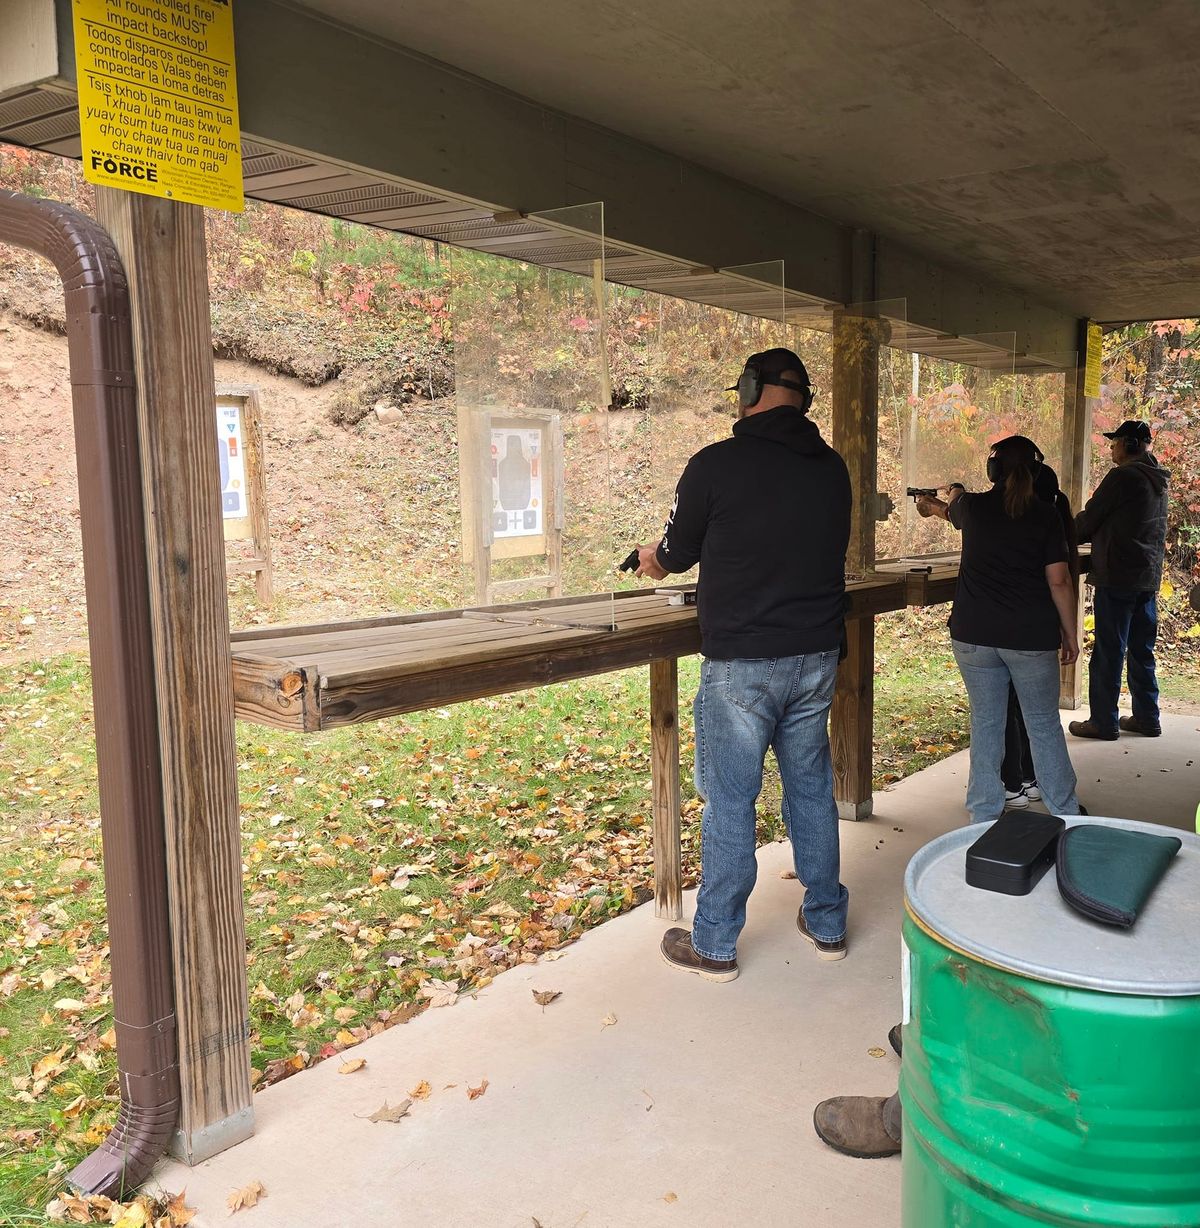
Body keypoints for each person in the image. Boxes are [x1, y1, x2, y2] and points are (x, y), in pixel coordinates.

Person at [633, 347, 851, 981]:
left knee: (730, 800)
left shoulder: (716, 464)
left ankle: (716, 942)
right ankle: (828, 920)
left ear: (752, 389)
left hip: (744, 664)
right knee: (810, 789)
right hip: (814, 657)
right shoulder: (832, 468)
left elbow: (677, 549)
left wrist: (654, 558)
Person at [916, 436, 1083, 824]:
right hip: (1029, 638)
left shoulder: (973, 508)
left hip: (973, 636)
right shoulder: (1046, 515)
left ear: (994, 471)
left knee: (986, 723)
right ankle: (1065, 813)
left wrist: (948, 498)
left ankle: (983, 816)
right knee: (1042, 725)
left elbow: (953, 508)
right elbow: (1059, 581)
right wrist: (1071, 633)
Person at [1069, 420, 1170, 740]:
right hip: (1146, 577)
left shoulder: (1123, 476)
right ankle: (1147, 718)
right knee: (1141, 649)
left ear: (1129, 445)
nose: (1111, 447)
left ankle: (1103, 721)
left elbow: (1090, 518)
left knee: (1109, 650)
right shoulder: (1157, 479)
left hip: (1118, 576)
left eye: (1115, 442)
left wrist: (1059, 534)